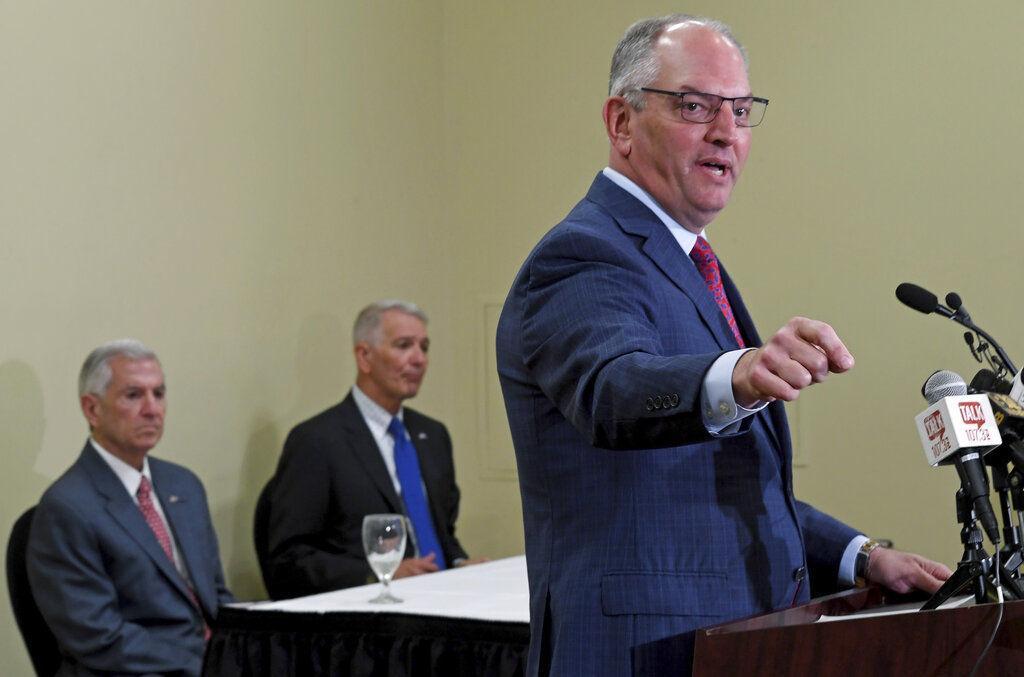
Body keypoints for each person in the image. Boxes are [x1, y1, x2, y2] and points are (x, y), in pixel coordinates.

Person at [495, 14, 951, 676]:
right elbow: (613, 391)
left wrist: (860, 555)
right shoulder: (583, 254)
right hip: (639, 654)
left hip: (723, 644)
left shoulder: (688, 261)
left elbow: (720, 484)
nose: (726, 133)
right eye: (695, 106)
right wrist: (739, 373)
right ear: (621, 123)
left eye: (740, 111)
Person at [27, 339, 234, 677]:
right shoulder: (66, 507)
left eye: (159, 393)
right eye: (134, 395)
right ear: (92, 409)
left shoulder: (185, 486)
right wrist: (205, 664)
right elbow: (101, 639)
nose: (153, 409)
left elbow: (215, 597)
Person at [263, 300, 479, 599]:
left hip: (444, 599)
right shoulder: (316, 441)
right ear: (364, 356)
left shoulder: (433, 435)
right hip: (369, 618)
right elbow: (288, 561)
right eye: (404, 346)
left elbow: (441, 534)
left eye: (424, 347)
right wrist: (380, 573)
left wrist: (460, 563)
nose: (419, 359)